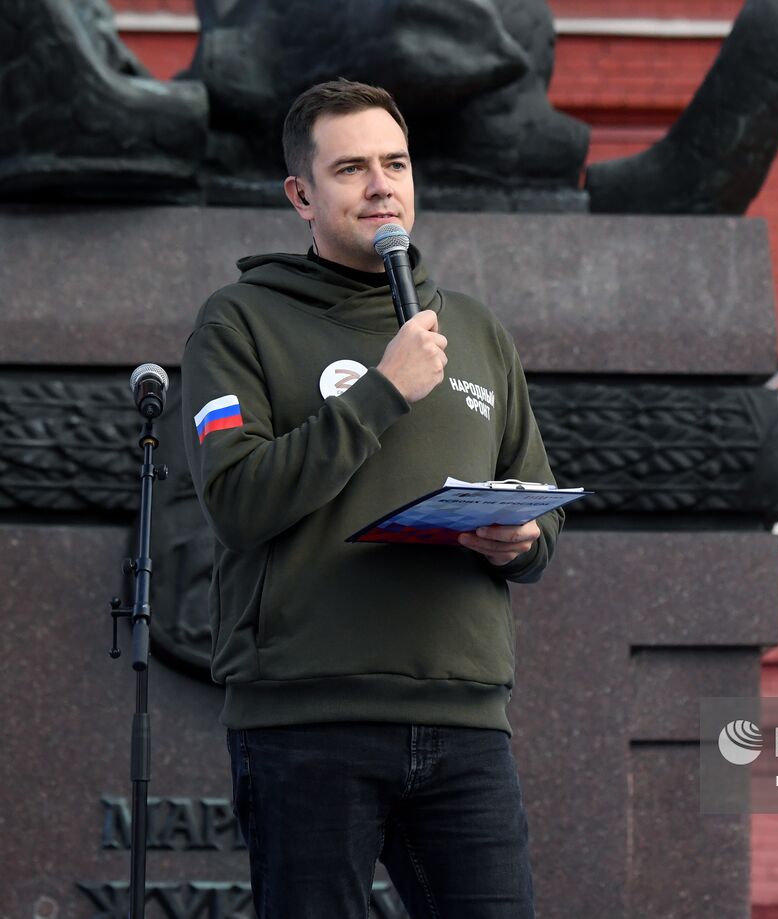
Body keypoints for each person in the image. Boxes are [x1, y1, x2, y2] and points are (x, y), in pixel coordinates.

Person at [181, 79, 561, 918]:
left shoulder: (475, 327)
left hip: (464, 720)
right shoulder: (239, 324)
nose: (381, 184)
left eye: (395, 162)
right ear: (302, 196)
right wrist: (383, 391)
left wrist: (523, 538)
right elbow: (237, 499)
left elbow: (537, 502)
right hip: (307, 720)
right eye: (351, 167)